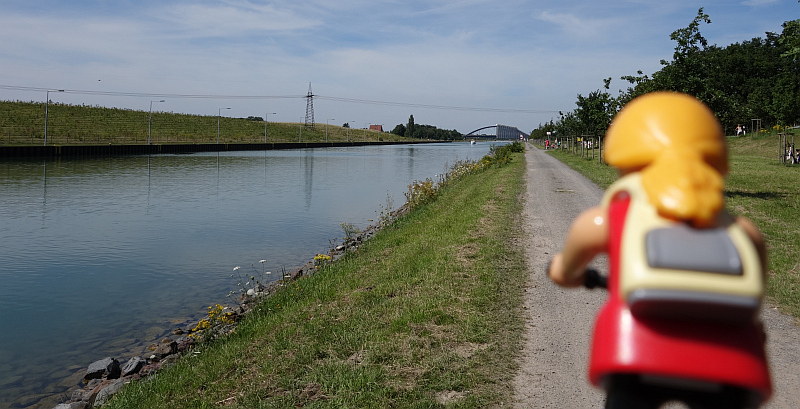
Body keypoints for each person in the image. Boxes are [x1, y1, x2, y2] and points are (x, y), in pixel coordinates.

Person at [547, 92, 769, 408]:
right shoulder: (742, 230)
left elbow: (566, 271)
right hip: (730, 361)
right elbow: (756, 293)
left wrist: (563, 271)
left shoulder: (606, 220)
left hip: (638, 355)